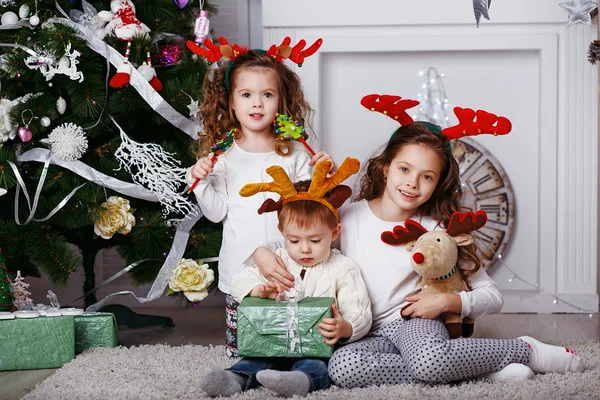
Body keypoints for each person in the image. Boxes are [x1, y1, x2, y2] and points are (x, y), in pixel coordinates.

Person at [249, 99, 584, 387]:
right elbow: (290, 246)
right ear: (384, 168)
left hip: (413, 326)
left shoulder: (438, 231)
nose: (412, 183)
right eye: (404, 169)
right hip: (364, 332)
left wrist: (446, 303)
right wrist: (260, 253)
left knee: (427, 359)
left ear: (438, 184)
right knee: (341, 368)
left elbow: (491, 296)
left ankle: (524, 349)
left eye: (427, 176)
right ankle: (472, 368)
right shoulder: (344, 219)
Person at [186, 38, 333, 358]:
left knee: (291, 344)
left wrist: (322, 173)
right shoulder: (222, 157)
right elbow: (215, 213)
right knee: (243, 349)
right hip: (241, 270)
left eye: (267, 95)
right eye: (247, 95)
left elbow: (309, 211)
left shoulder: (293, 153)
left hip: (289, 265)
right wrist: (199, 181)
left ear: (281, 102)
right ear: (232, 103)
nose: (257, 104)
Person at [200, 159, 372, 398]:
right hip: (273, 340)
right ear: (282, 234)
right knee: (255, 360)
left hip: (316, 347)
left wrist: (345, 327)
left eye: (315, 240)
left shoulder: (343, 268)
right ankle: (234, 378)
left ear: (334, 233)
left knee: (316, 365)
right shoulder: (277, 260)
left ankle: (298, 381)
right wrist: (258, 290)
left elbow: (360, 310)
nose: (305, 249)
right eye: (294, 240)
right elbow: (239, 281)